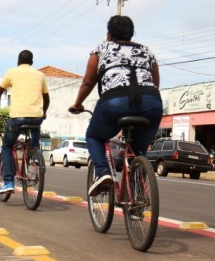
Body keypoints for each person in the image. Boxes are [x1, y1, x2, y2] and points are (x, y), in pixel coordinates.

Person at [68, 15, 163, 196]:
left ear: (109, 33)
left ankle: (103, 173)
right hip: (151, 103)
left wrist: (77, 104)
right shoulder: (147, 51)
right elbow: (155, 83)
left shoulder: (101, 49)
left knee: (94, 136)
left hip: (114, 102)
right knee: (138, 152)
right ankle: (138, 199)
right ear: (132, 33)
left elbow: (88, 83)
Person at [0, 50, 50, 193]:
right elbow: (47, 98)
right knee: (36, 127)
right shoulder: (40, 75)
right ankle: (35, 154)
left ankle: (8, 182)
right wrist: (44, 112)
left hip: (17, 118)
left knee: (7, 147)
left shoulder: (12, 72)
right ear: (32, 63)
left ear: (18, 62)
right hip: (36, 117)